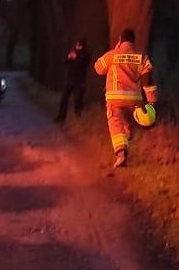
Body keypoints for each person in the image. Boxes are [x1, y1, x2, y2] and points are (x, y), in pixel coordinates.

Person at [93, 28, 157, 168]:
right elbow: (148, 79)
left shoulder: (112, 55)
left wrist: (115, 50)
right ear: (133, 41)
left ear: (121, 40)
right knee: (128, 121)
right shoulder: (141, 57)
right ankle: (127, 134)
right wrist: (152, 100)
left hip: (114, 98)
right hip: (134, 99)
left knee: (115, 122)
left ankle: (121, 154)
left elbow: (98, 68)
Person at [55, 38, 90, 122]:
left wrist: (76, 57)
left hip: (79, 81)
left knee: (78, 100)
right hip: (70, 80)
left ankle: (78, 118)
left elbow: (84, 63)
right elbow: (65, 61)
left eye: (79, 45)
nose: (77, 47)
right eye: (77, 45)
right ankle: (61, 117)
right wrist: (68, 57)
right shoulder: (73, 52)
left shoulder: (85, 55)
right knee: (64, 98)